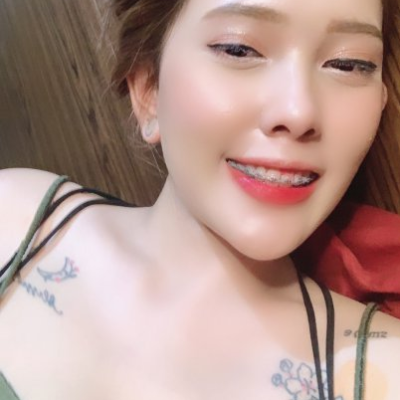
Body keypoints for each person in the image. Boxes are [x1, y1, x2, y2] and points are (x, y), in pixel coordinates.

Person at [1, 0, 400, 399]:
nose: (298, 112)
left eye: (349, 64)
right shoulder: (14, 221)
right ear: (149, 89)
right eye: (238, 49)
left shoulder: (387, 369)